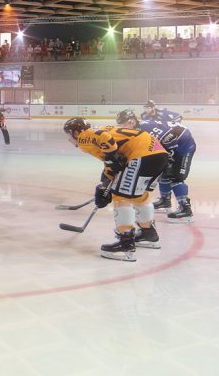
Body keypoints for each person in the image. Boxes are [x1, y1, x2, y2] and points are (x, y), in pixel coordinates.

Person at [63, 117, 169, 261]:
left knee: (121, 197)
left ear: (76, 132)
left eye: (69, 135)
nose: (70, 139)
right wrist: (104, 184)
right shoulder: (103, 128)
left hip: (142, 155)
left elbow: (105, 139)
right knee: (138, 195)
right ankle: (148, 234)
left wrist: (113, 158)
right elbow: (112, 163)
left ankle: (126, 244)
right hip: (157, 154)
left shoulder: (83, 136)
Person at [121, 108, 196, 222]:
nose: (121, 127)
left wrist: (167, 158)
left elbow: (169, 138)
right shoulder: (138, 129)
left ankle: (186, 209)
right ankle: (165, 201)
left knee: (175, 176)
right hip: (172, 144)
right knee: (163, 172)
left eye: (123, 124)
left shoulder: (146, 129)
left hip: (184, 146)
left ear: (131, 122)